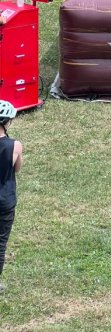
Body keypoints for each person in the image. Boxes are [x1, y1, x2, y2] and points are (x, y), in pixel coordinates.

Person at [0, 101, 23, 292]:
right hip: (5, 201)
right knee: (0, 242)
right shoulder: (14, 145)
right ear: (6, 122)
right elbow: (17, 168)